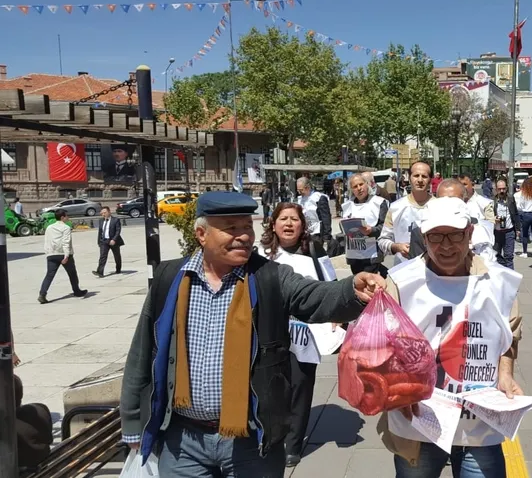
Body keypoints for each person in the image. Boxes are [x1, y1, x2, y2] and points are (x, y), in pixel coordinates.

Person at [119, 191, 385, 477]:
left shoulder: (269, 276)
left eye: (247, 227)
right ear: (201, 234)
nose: (243, 236)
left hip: (252, 440)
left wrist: (351, 292)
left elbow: (314, 297)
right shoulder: (170, 278)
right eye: (231, 228)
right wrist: (133, 423)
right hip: (182, 441)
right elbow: (143, 352)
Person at [377, 196, 524, 478]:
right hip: (419, 422)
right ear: (424, 237)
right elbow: (383, 346)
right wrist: (397, 389)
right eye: (435, 236)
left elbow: (509, 336)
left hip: (478, 422)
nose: (445, 246)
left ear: (469, 232)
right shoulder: (400, 282)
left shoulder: (498, 282)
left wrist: (505, 374)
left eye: (455, 235)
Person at [258, 202, 337, 467]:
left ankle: (293, 443)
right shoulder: (260, 254)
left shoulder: (313, 250)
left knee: (300, 387)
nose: (289, 223)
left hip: (306, 336)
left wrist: (336, 317)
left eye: (295, 219)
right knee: (271, 388)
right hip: (270, 334)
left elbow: (330, 286)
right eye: (283, 218)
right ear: (273, 224)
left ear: (303, 224)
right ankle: (271, 437)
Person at [379, 161, 433, 266]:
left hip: (433, 270)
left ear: (430, 180)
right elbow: (383, 240)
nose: (420, 180)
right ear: (409, 178)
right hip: (402, 269)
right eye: (416, 175)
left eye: (424, 176)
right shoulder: (395, 207)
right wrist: (396, 247)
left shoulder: (440, 206)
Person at [436, 179, 496, 263]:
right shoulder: (423, 230)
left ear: (464, 200)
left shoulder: (479, 231)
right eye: (443, 200)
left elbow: (488, 265)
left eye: (453, 200)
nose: (448, 204)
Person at [342, 174, 390, 276]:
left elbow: (385, 227)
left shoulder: (379, 203)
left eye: (361, 184)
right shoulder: (347, 205)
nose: (359, 188)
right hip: (354, 255)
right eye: (355, 186)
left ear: (367, 184)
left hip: (371, 254)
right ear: (352, 190)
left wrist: (371, 230)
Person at [38, 210, 87, 304]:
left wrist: (48, 253)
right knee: (72, 273)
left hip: (52, 254)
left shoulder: (49, 227)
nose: (68, 217)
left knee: (49, 275)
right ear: (62, 217)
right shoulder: (66, 228)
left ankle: (42, 294)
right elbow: (66, 242)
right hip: (63, 254)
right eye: (66, 216)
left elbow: (47, 241)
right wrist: (66, 255)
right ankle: (77, 291)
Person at [296, 177, 332, 250]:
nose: (299, 192)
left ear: (308, 187)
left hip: (317, 233)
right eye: (298, 190)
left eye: (301, 190)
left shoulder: (318, 197)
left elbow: (326, 218)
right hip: (306, 233)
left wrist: (326, 237)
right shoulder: (300, 199)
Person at [492, 178, 519, 269]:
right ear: (496, 189)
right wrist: (493, 219)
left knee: (509, 257)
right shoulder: (492, 201)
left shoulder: (510, 199)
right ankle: (499, 278)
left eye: (503, 189)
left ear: (506, 188)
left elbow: (515, 213)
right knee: (496, 256)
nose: (502, 191)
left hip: (509, 232)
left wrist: (518, 229)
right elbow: (487, 217)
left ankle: (511, 280)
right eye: (499, 189)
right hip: (497, 232)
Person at [515, 177, 532, 258]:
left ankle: (524, 252)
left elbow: (519, 206)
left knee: (525, 234)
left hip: (526, 215)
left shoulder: (524, 194)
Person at [93, 206, 124, 278]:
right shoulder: (101, 220)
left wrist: (114, 239)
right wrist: (99, 242)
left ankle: (118, 268)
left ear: (109, 212)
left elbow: (118, 231)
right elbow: (100, 231)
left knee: (117, 256)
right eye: (102, 213)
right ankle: (100, 272)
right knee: (102, 256)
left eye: (105, 213)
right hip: (104, 241)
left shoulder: (115, 220)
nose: (103, 214)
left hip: (113, 241)